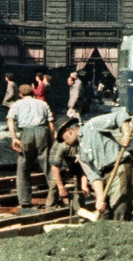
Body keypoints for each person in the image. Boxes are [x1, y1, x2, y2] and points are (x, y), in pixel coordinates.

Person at [78, 105, 133, 220]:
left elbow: (120, 116)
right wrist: (99, 200)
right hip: (104, 175)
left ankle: (122, 234)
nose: (64, 144)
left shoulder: (91, 126)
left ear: (68, 132)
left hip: (119, 167)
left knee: (119, 208)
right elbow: (95, 178)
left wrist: (125, 134)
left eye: (63, 139)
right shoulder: (80, 154)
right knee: (105, 213)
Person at [7, 83, 54, 212]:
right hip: (41, 131)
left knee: (23, 168)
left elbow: (10, 120)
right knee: (48, 166)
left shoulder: (16, 104)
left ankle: (25, 202)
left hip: (26, 133)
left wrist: (14, 137)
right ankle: (55, 197)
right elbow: (51, 125)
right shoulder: (43, 104)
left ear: (20, 94)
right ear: (33, 93)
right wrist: (52, 141)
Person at [47, 119, 82, 208]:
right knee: (55, 183)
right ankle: (50, 208)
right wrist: (61, 188)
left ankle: (78, 208)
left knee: (78, 182)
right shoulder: (62, 145)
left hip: (74, 161)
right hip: (59, 162)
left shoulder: (80, 140)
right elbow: (55, 168)